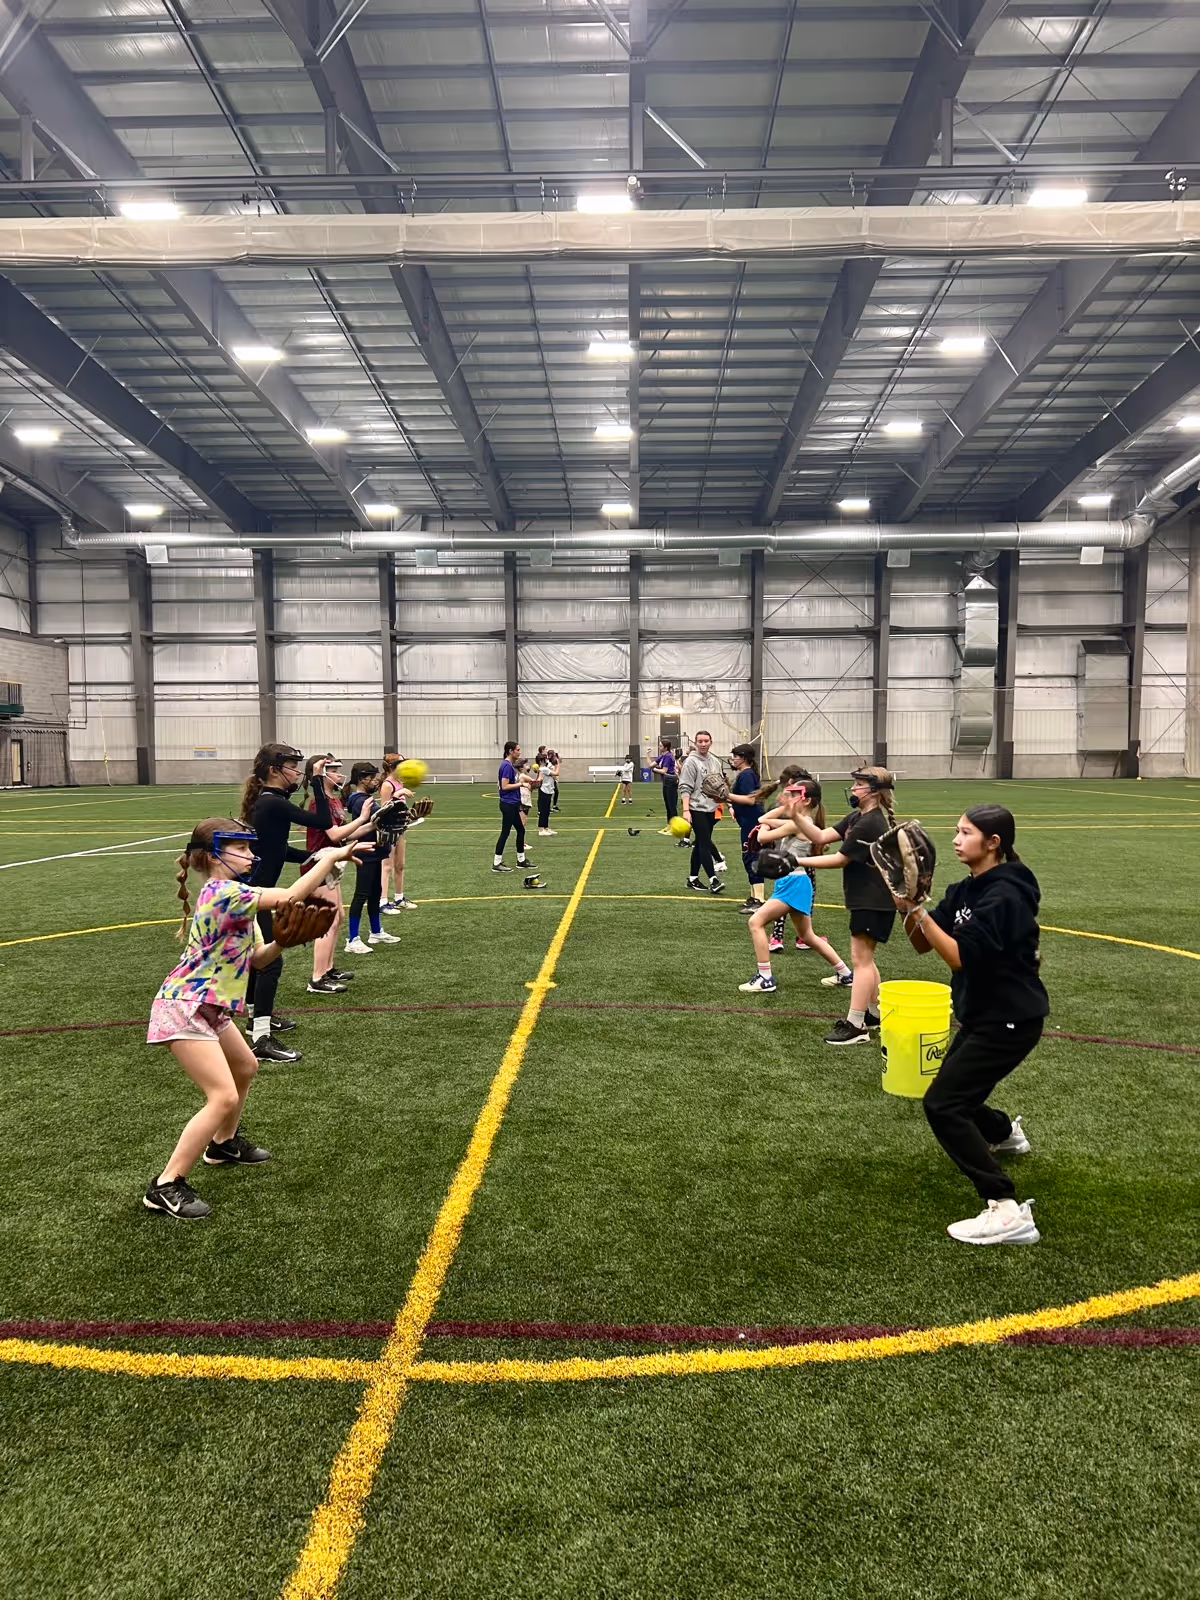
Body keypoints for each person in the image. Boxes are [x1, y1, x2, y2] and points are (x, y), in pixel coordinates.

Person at [143, 818, 361, 1219]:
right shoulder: (220, 892)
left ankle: (223, 1143)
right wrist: (328, 856)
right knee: (222, 1094)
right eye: (241, 849)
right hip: (185, 1004)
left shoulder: (239, 897)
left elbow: (258, 959)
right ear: (213, 856)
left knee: (245, 1066)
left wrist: (282, 941)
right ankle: (165, 1184)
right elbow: (292, 894)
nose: (250, 855)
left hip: (211, 1007)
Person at [895, 804, 1047, 1245]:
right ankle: (1004, 1133)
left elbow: (959, 956)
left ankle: (1004, 1209)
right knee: (951, 1088)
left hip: (1010, 1019)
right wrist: (906, 903)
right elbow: (922, 945)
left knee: (943, 1104)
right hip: (984, 1014)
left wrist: (920, 911)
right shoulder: (964, 890)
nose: (956, 840)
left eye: (965, 833)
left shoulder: (1007, 893)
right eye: (956, 831)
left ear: (993, 843)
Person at [791, 766, 897, 1046]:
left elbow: (840, 859)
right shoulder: (857, 817)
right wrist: (795, 815)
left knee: (860, 961)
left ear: (873, 790)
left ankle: (856, 1025)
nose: (852, 789)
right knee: (866, 960)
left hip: (873, 899)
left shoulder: (871, 822)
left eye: (858, 785)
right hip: (867, 898)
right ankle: (873, 1015)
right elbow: (820, 837)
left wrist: (796, 862)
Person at [240, 743, 332, 1063]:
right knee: (270, 961)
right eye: (292, 765)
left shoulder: (272, 802)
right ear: (273, 770)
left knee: (260, 960)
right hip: (254, 893)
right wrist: (317, 781)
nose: (297, 771)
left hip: (258, 891)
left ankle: (256, 1019)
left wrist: (314, 858)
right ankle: (261, 1038)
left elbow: (277, 850)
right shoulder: (272, 803)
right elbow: (321, 821)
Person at [738, 780, 852, 993]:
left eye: (793, 795)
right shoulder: (802, 821)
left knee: (756, 922)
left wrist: (766, 824)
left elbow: (763, 832)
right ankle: (845, 973)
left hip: (793, 882)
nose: (788, 798)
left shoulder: (798, 823)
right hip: (797, 882)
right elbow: (764, 818)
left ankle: (765, 978)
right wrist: (783, 809)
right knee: (808, 936)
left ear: (806, 800)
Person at [300, 754, 358, 995]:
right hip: (320, 863)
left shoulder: (333, 800)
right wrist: (364, 819)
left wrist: (373, 823)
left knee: (338, 916)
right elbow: (334, 836)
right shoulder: (318, 803)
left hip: (332, 861)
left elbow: (342, 835)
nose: (339, 774)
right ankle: (317, 978)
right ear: (321, 774)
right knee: (328, 920)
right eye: (333, 770)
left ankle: (329, 967)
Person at [343, 762, 400, 955]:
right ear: (362, 779)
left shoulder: (365, 798)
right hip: (366, 853)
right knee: (361, 894)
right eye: (372, 777)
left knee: (375, 893)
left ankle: (375, 932)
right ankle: (352, 938)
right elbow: (380, 818)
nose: (376, 780)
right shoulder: (360, 800)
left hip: (376, 851)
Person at [678, 730, 725, 894]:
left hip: (711, 808)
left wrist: (725, 804)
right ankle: (713, 880)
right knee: (704, 843)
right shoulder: (691, 762)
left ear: (711, 742)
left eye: (706, 741)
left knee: (700, 843)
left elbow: (720, 785)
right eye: (700, 741)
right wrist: (686, 810)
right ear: (695, 743)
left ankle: (692, 879)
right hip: (696, 808)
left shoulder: (715, 761)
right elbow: (685, 786)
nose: (703, 744)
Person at [727, 743, 766, 912]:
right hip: (748, 821)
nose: (733, 759)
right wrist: (729, 803)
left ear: (743, 758)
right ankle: (754, 897)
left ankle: (759, 900)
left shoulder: (747, 775)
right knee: (748, 858)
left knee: (752, 858)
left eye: (736, 756)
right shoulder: (745, 774)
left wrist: (726, 795)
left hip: (752, 823)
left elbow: (750, 800)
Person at [378, 753, 418, 913]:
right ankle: (382, 902)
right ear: (392, 766)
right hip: (388, 829)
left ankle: (399, 898)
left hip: (400, 828)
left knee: (400, 865)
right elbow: (383, 810)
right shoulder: (388, 785)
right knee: (386, 866)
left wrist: (413, 813)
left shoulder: (399, 782)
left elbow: (401, 808)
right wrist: (397, 795)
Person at [493, 740, 535, 874]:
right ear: (510, 751)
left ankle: (521, 861)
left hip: (513, 803)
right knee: (505, 833)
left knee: (521, 830)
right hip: (508, 804)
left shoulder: (510, 766)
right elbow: (504, 786)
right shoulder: (506, 766)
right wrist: (521, 784)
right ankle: (496, 863)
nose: (519, 752)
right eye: (517, 750)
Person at [652, 738, 678, 833]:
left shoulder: (668, 756)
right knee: (668, 806)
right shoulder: (662, 756)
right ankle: (669, 826)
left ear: (665, 747)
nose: (659, 747)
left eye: (660, 746)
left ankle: (675, 828)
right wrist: (647, 754)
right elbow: (650, 765)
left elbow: (664, 771)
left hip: (671, 783)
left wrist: (654, 770)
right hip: (666, 783)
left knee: (672, 807)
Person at [537, 749, 559, 836]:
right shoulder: (543, 769)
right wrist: (558, 764)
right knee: (543, 811)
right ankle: (541, 829)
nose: (547, 760)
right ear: (542, 760)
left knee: (546, 811)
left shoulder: (544, 768)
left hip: (548, 790)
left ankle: (545, 827)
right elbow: (556, 773)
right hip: (544, 790)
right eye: (545, 759)